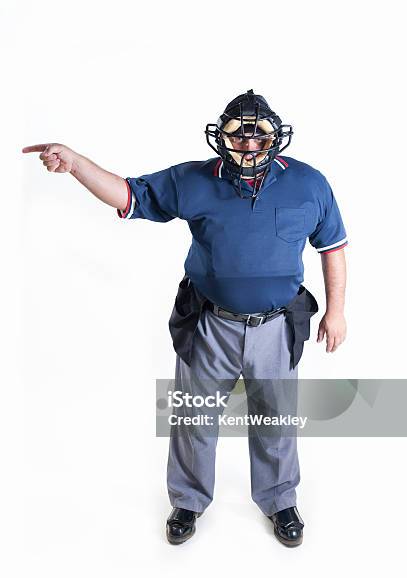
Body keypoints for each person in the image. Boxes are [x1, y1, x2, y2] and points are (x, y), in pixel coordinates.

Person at [22, 89, 348, 548]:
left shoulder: (309, 183)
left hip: (276, 325)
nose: (249, 146)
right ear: (223, 138)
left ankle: (279, 498)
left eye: (260, 137)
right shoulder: (194, 179)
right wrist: (75, 163)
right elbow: (129, 192)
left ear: (276, 140)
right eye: (240, 136)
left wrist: (336, 311)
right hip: (210, 322)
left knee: (276, 417)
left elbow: (332, 245)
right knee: (195, 417)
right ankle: (189, 500)